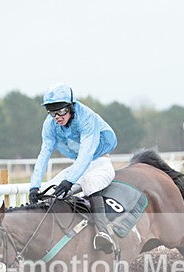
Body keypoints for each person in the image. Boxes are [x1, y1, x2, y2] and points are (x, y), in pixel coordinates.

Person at [28, 84, 119, 254]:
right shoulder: (49, 124)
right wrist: (34, 185)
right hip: (78, 166)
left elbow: (86, 154)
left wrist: (69, 181)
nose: (57, 117)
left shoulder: (87, 118)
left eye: (61, 111)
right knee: (49, 191)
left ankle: (103, 232)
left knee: (89, 182)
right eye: (52, 112)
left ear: (71, 107)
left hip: (99, 162)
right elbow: (44, 154)